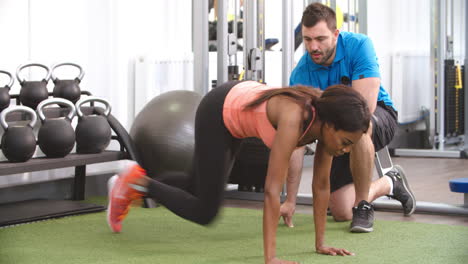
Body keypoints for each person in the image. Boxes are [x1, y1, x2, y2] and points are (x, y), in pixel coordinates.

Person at [107, 80, 371, 263]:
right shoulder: (294, 118)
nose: (346, 150)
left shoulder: (328, 129)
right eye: (346, 143)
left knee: (196, 185)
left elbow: (321, 186)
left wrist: (320, 244)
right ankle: (136, 182)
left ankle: (132, 183)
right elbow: (271, 189)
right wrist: (271, 258)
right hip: (219, 109)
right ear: (329, 125)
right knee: (205, 210)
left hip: (240, 106)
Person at [280, 2, 416, 232]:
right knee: (342, 212)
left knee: (360, 126)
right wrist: (290, 200)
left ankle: (363, 205)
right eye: (307, 39)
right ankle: (390, 182)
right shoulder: (301, 74)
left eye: (320, 39)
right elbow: (296, 141)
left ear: (335, 34)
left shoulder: (359, 46)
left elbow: (365, 110)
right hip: (335, 133)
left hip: (377, 117)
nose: (313, 47)